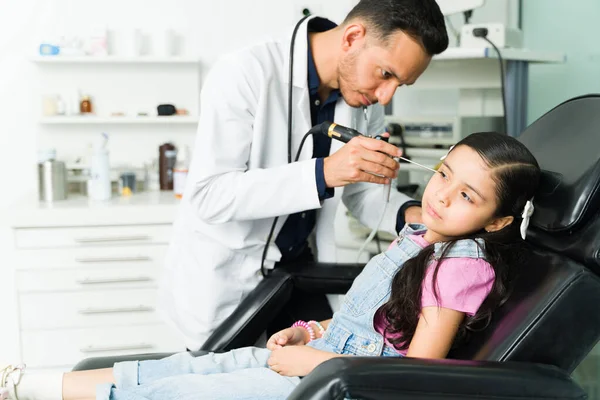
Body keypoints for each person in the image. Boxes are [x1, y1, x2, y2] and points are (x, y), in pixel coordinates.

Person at [1, 132, 541, 399]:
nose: (442, 195)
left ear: (497, 222)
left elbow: (414, 375)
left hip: (337, 382)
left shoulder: (464, 265)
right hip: (328, 355)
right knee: (194, 366)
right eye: (443, 173)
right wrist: (310, 331)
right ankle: (28, 383)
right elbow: (378, 320)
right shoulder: (422, 234)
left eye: (467, 194)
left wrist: (313, 364)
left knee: (187, 392)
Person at [158, 0, 449, 351]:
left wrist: (413, 216)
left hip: (296, 274)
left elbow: (362, 194)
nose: (384, 96)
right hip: (226, 280)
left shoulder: (363, 98)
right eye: (385, 74)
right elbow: (210, 195)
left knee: (312, 374)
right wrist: (323, 173)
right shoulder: (246, 72)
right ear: (352, 37)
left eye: (399, 85)